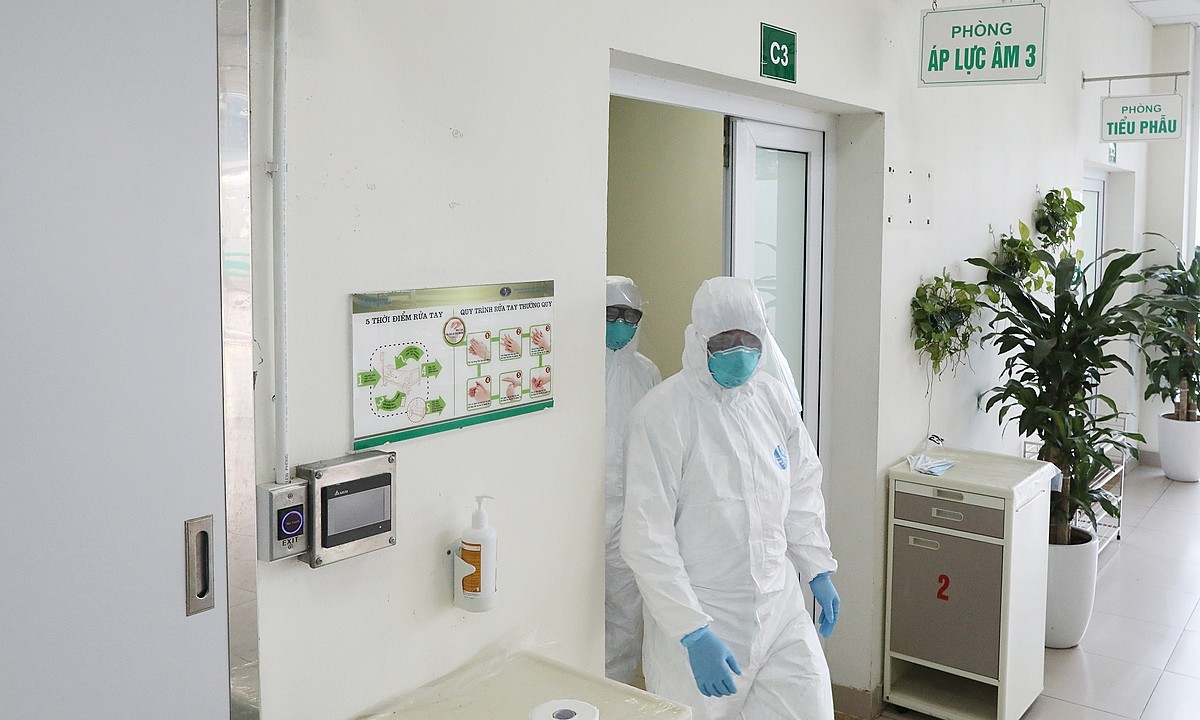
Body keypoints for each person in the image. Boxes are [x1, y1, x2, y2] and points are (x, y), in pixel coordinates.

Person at [620, 276, 840, 719]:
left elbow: (800, 488)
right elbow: (648, 537)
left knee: (810, 707)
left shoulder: (773, 398)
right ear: (699, 338)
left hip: (779, 608)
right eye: (724, 340)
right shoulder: (663, 414)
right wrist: (692, 631)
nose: (739, 350)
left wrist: (817, 566)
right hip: (706, 614)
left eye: (748, 338)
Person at [604, 275, 663, 684]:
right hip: (579, 509)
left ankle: (615, 695)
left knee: (626, 612)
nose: (622, 322)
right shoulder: (571, 370)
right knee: (571, 604)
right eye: (612, 313)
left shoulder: (647, 373)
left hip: (629, 512)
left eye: (630, 314)